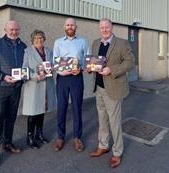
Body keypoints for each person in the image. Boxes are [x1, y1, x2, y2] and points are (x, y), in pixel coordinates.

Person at [89, 18, 135, 168]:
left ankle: (117, 152)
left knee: (114, 122)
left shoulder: (122, 43)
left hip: (114, 88)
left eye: (107, 27)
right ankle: (103, 145)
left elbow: (130, 62)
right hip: (99, 88)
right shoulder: (96, 43)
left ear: (112, 27)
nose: (104, 30)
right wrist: (90, 67)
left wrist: (112, 70)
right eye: (102, 27)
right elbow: (94, 61)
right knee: (102, 119)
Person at [0, 20, 27, 173]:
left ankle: (7, 143)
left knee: (11, 117)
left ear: (19, 30)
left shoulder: (23, 46)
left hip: (16, 88)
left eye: (16, 29)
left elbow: (26, 66)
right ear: (5, 29)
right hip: (1, 88)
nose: (14, 32)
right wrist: (2, 76)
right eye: (11, 29)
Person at [53, 17, 89, 152]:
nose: (70, 27)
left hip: (76, 78)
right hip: (62, 79)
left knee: (77, 107)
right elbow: (55, 61)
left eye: (72, 25)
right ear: (64, 27)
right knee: (61, 107)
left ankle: (77, 137)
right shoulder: (58, 42)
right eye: (67, 25)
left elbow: (87, 60)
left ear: (76, 27)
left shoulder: (82, 42)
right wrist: (62, 70)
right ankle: (60, 137)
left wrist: (81, 68)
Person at [21, 30, 56, 149]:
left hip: (47, 85)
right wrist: (35, 76)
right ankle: (30, 137)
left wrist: (52, 69)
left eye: (41, 37)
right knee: (33, 113)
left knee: (41, 111)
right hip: (34, 85)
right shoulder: (27, 52)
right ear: (32, 39)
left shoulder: (49, 51)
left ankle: (39, 134)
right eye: (36, 38)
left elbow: (53, 65)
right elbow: (24, 70)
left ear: (44, 38)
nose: (39, 40)